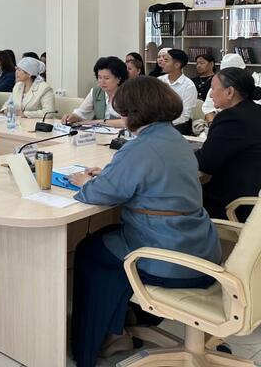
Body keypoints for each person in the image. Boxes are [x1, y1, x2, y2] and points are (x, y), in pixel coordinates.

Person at [67, 77, 221, 366]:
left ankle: (97, 343)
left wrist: (84, 182)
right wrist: (110, 174)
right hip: (201, 248)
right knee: (108, 240)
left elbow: (99, 193)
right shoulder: (176, 139)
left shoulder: (139, 147)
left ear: (132, 113)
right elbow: (149, 175)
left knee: (90, 252)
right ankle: (121, 326)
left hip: (169, 257)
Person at [196, 68, 261, 220]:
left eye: (213, 88)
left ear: (230, 92)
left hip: (232, 203)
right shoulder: (255, 110)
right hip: (253, 194)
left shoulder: (231, 117)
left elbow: (205, 163)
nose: (210, 94)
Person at [63, 57, 128, 127]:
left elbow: (127, 122)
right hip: (101, 132)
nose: (102, 82)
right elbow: (81, 113)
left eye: (106, 78)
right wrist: (72, 117)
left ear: (119, 79)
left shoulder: (127, 94)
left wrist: (97, 122)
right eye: (99, 77)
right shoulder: (96, 92)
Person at [202, 53, 261, 122]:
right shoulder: (217, 86)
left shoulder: (257, 84)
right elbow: (208, 109)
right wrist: (212, 123)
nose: (211, 95)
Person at [158, 48, 197, 135]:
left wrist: (165, 124)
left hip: (179, 124)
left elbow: (185, 115)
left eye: (166, 60)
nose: (162, 63)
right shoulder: (160, 80)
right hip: (159, 121)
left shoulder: (189, 86)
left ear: (177, 65)